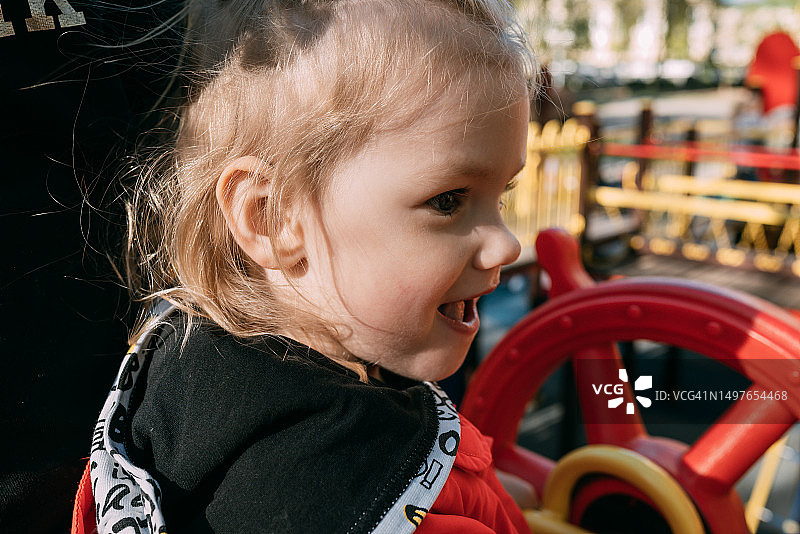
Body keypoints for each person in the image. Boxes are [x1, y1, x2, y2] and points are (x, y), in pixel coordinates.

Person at [85, 0, 536, 532]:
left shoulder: (184, 377)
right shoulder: (341, 487)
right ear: (272, 217)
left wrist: (487, 487)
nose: (506, 245)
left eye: (500, 196)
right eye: (449, 200)